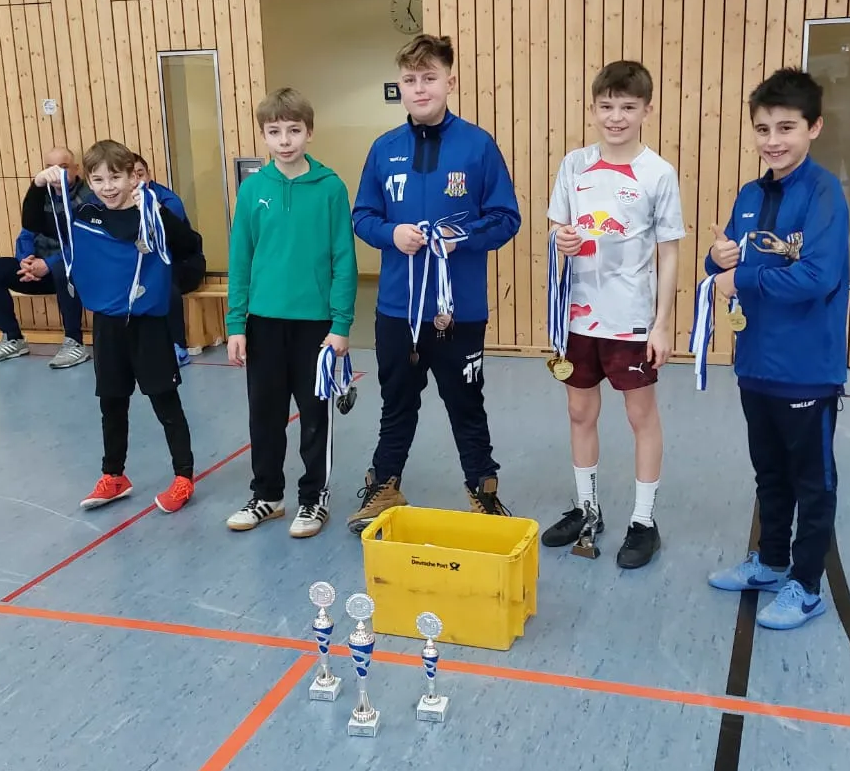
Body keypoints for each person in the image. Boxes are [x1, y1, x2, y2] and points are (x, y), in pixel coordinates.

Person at [346, 33, 522, 533]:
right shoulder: (384, 150)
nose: (420, 88)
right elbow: (363, 216)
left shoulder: (478, 145)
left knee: (466, 403)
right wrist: (391, 234)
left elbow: (506, 218)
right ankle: (385, 485)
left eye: (429, 78)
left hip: (457, 309)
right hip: (397, 308)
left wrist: (459, 236)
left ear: (450, 82)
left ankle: (483, 491)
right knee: (397, 402)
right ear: (400, 87)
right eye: (410, 79)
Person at [703, 67, 850, 630]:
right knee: (769, 473)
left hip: (806, 368)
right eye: (763, 129)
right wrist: (717, 259)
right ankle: (770, 561)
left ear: (814, 127)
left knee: (812, 481)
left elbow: (818, 276)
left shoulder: (823, 193)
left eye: (786, 128)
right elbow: (729, 265)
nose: (773, 140)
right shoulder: (750, 194)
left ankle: (806, 585)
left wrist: (742, 278)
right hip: (755, 363)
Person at [539, 60, 685, 569]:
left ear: (647, 110)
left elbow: (669, 252)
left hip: (632, 321)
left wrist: (662, 324)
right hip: (577, 319)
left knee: (640, 416)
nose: (616, 116)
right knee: (580, 413)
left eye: (627, 107)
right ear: (593, 109)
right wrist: (561, 240)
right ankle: (588, 509)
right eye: (606, 106)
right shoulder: (573, 165)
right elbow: (558, 231)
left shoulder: (658, 173)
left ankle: (643, 521)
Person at [223, 87, 358, 539]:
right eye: (275, 131)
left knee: (315, 416)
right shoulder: (253, 189)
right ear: (263, 135)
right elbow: (240, 259)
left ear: (309, 132)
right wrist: (236, 324)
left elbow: (344, 259)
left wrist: (340, 324)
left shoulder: (330, 187)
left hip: (315, 327)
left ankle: (314, 498)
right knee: (264, 415)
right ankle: (267, 495)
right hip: (263, 323)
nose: (285, 140)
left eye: (294, 130)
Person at [44, 139, 202, 514]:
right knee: (112, 402)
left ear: (134, 177)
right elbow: (38, 222)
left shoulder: (152, 213)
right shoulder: (87, 215)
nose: (108, 187)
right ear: (89, 182)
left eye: (116, 177)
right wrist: (40, 187)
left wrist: (159, 214)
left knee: (165, 401)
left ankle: (183, 477)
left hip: (149, 325)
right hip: (107, 325)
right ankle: (114, 475)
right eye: (99, 180)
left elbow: (190, 245)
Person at [0, 146, 90, 369]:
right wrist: (25, 261)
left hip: (74, 272)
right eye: (50, 168)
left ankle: (74, 342)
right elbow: (27, 232)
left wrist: (48, 264)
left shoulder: (88, 197)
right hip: (37, 270)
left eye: (63, 167)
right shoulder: (40, 196)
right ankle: (12, 338)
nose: (56, 173)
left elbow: (84, 245)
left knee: (63, 269)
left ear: (76, 169)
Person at [132, 153, 205, 368]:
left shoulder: (167, 201)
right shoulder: (118, 202)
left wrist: (157, 212)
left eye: (140, 174)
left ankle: (177, 346)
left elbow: (177, 241)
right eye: (130, 175)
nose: (136, 180)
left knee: (164, 283)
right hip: (145, 264)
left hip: (183, 261)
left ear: (148, 175)